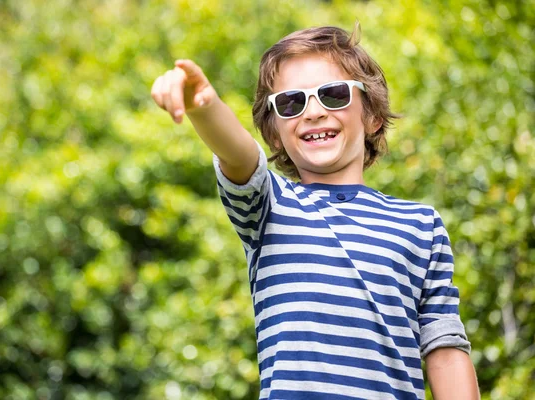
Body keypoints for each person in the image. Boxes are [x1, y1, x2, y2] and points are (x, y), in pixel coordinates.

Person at [151, 23, 479, 400]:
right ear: (274, 132)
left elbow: (445, 349)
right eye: (291, 102)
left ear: (372, 115)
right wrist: (204, 106)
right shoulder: (269, 206)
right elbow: (241, 156)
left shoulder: (421, 225)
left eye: (333, 95)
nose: (313, 112)